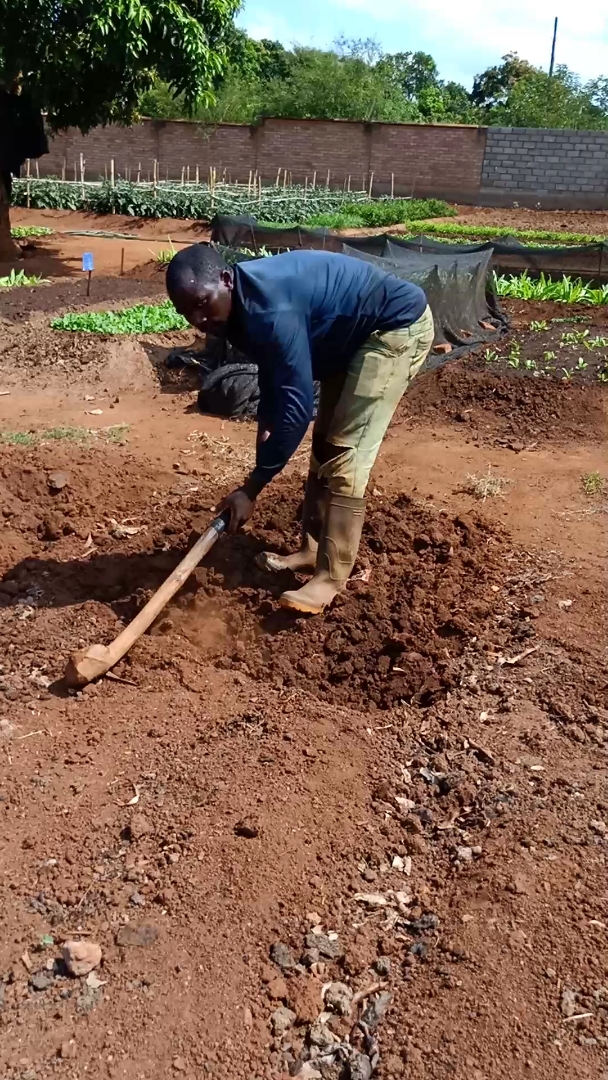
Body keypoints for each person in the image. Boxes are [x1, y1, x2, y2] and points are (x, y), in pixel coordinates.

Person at [166, 245, 434, 615]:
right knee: (325, 446)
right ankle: (311, 550)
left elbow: (296, 407)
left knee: (346, 457)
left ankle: (330, 577)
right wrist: (266, 427)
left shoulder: (270, 308)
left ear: (226, 279)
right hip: (347, 341)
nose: (197, 319)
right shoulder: (233, 310)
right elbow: (274, 374)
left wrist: (252, 486)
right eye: (186, 312)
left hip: (391, 329)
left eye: (201, 302)